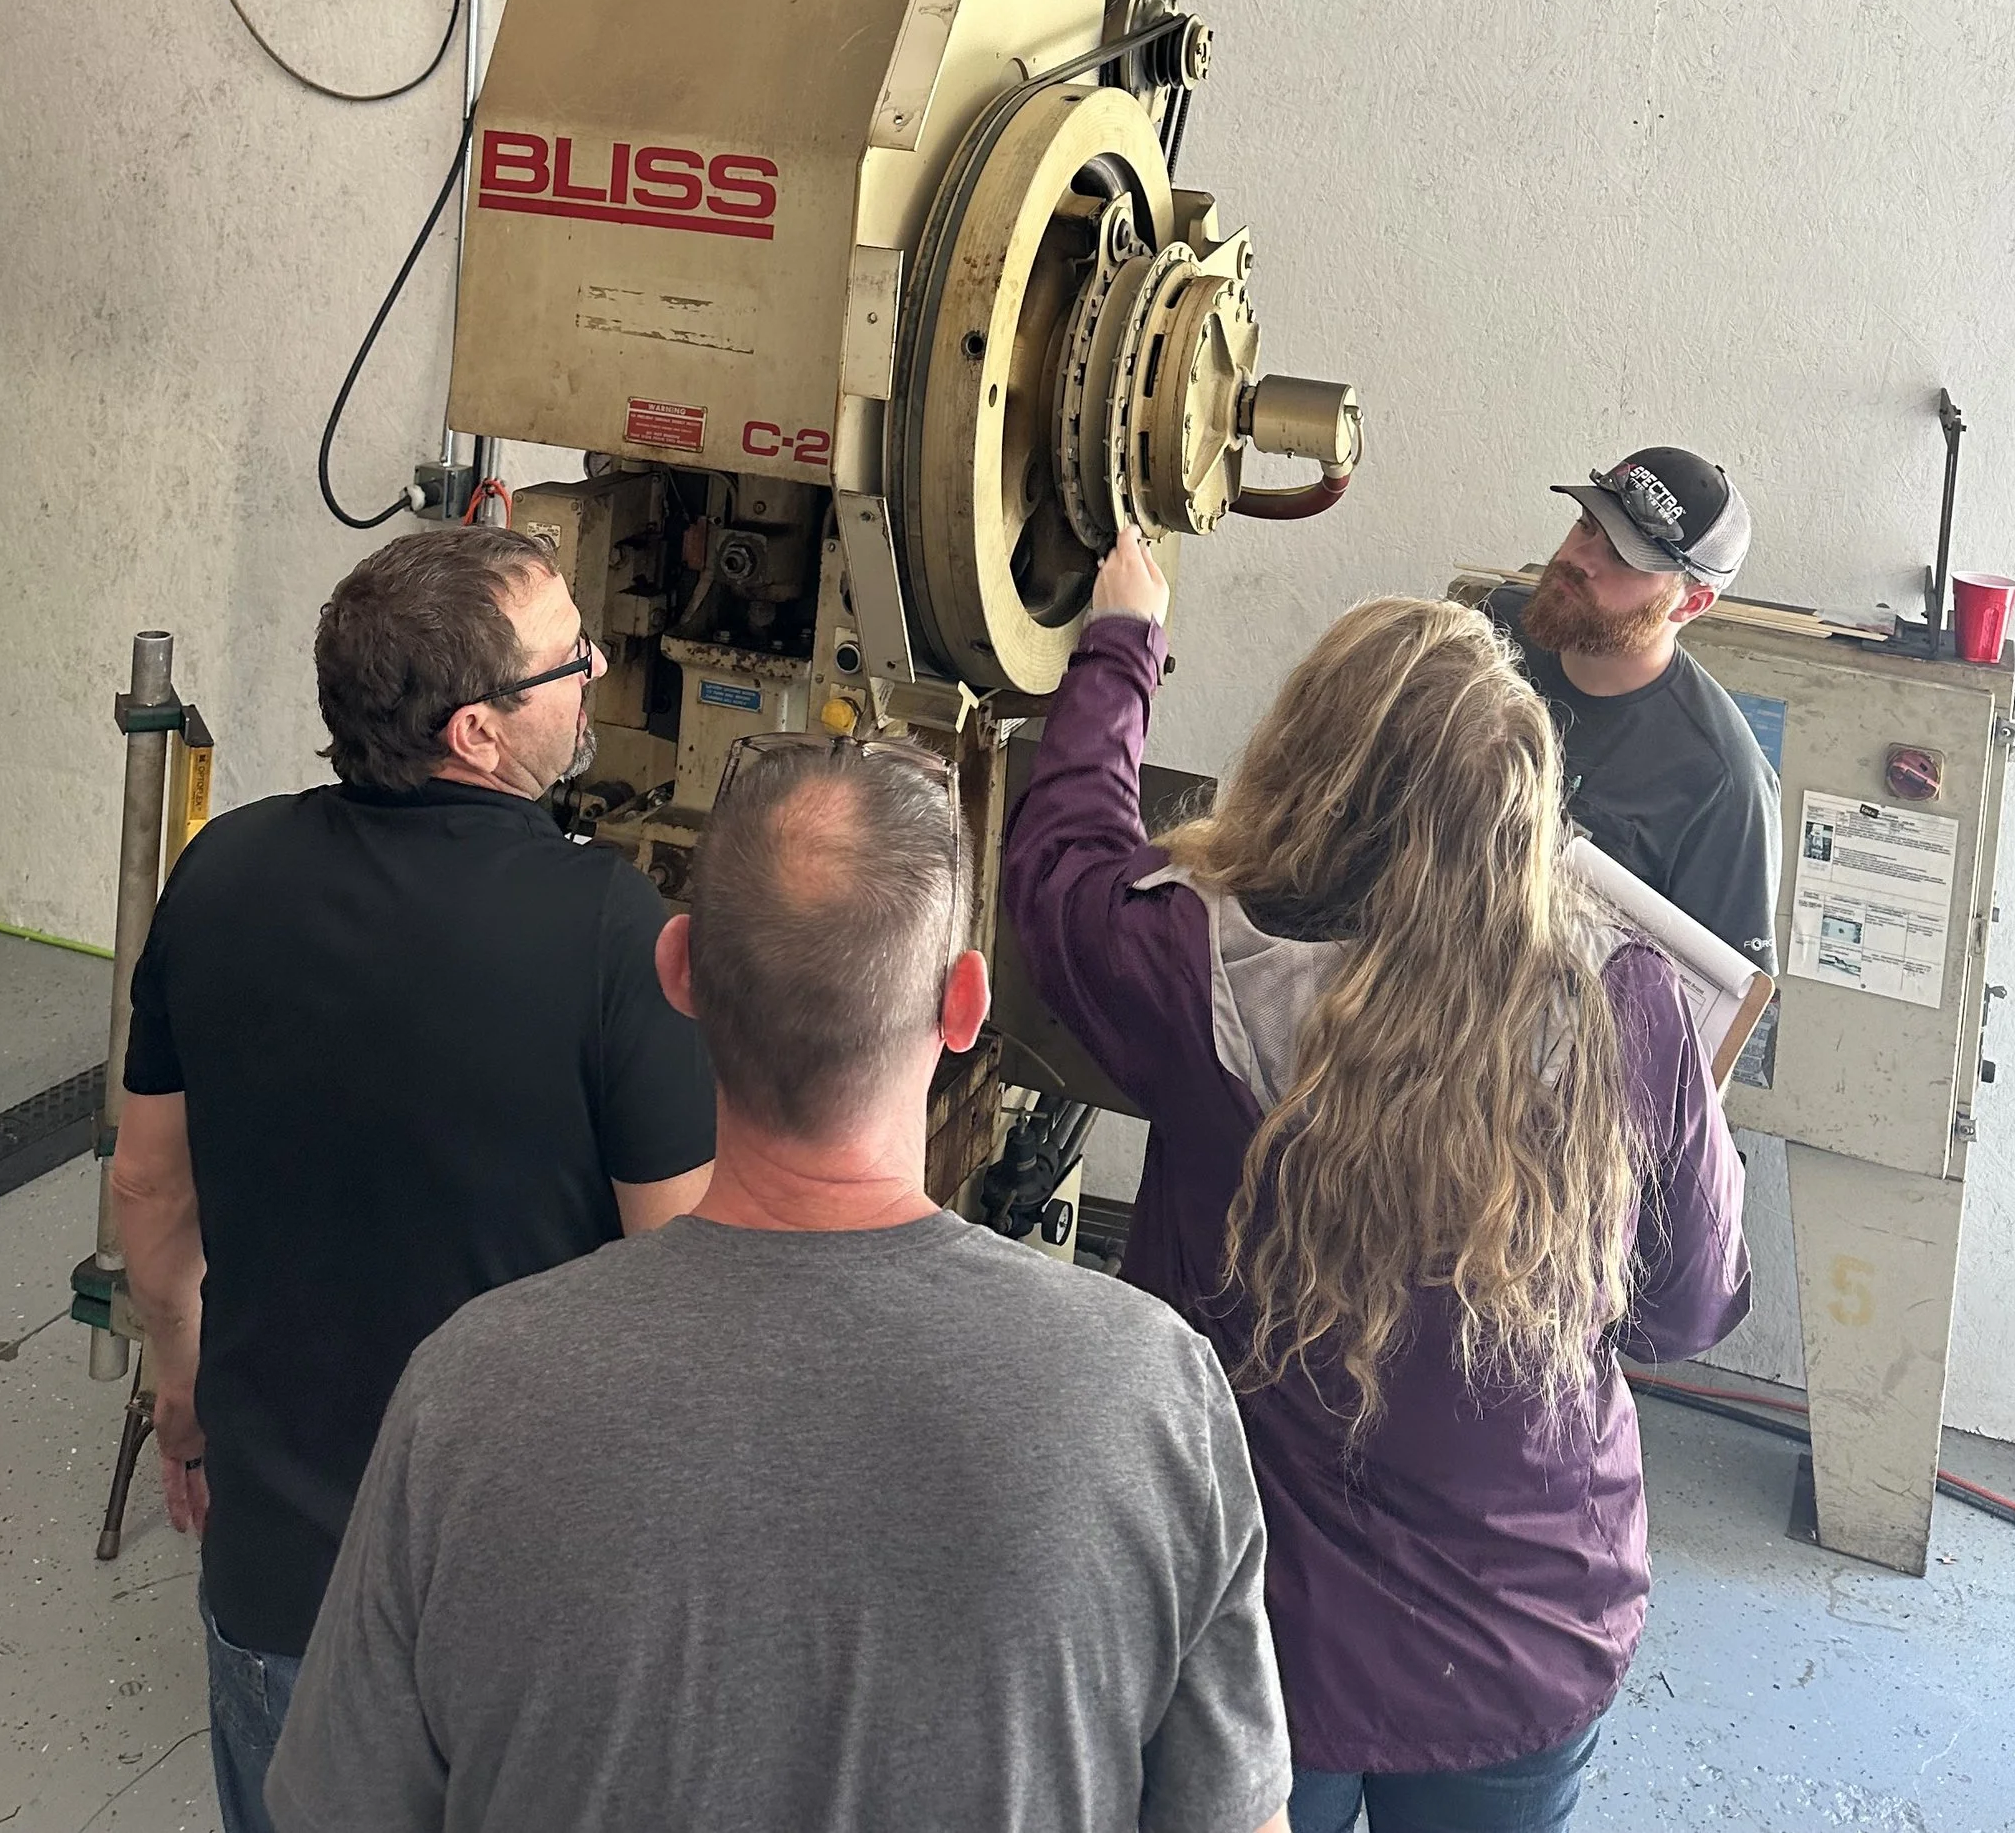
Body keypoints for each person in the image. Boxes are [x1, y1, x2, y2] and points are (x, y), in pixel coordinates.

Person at [267, 723, 1294, 1833]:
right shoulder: (1149, 1392)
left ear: (678, 971)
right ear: (964, 1005)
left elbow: (342, 1809)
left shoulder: (469, 1389)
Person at [1006, 532, 1750, 1833]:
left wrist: (1123, 638)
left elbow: (1060, 862)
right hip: (1525, 1620)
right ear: (1522, 799)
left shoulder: (1194, 977)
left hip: (1252, 1624)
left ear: (1300, 767)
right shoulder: (1625, 1003)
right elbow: (1684, 1310)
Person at [107, 522, 717, 1833]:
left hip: (284, 1582)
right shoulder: (621, 941)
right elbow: (688, 1295)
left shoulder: (219, 876)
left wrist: (182, 1388)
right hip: (524, 1614)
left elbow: (150, 1193)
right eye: (570, 660)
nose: (598, 672)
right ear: (476, 732)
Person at [1479, 447, 1780, 967]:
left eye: (1624, 558)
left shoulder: (1724, 786)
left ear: (1690, 603)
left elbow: (1718, 1010)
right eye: (1586, 526)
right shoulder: (1492, 633)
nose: (1580, 559)